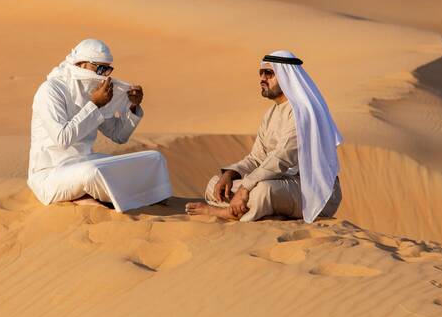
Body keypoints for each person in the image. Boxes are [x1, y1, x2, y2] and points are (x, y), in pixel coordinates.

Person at [186, 50, 342, 222]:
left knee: (263, 191)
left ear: (286, 76)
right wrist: (230, 174)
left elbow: (282, 158)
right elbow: (256, 158)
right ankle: (266, 213)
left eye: (269, 73)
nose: (262, 78)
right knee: (215, 184)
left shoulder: (302, 112)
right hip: (281, 183)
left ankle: (225, 213)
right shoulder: (271, 114)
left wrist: (245, 187)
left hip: (313, 190)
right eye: (261, 73)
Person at [27, 38, 172, 212]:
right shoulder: (51, 90)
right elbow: (62, 139)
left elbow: (119, 135)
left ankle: (98, 196)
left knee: (154, 159)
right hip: (51, 172)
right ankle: (112, 196)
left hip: (86, 160)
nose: (104, 75)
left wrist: (132, 107)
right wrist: (95, 105)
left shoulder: (93, 92)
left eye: (108, 69)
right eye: (100, 68)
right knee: (92, 172)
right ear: (81, 64)